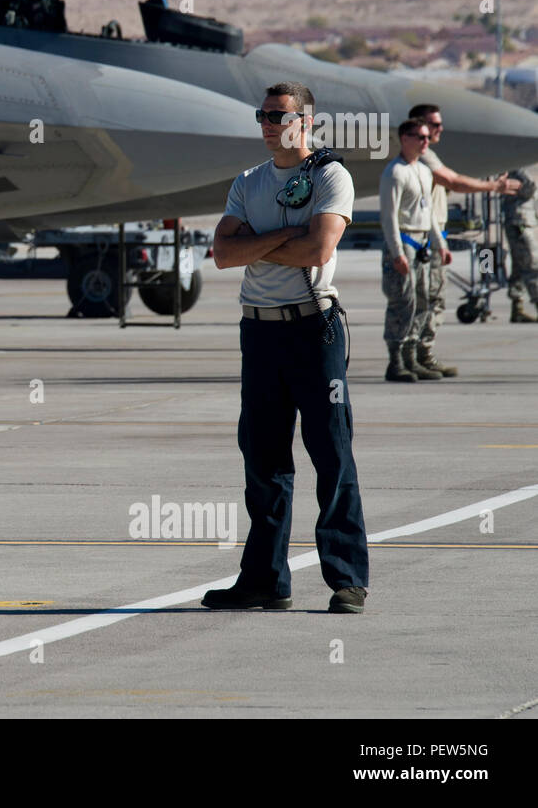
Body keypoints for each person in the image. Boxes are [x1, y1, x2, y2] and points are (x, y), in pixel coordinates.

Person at [205, 81, 368, 614]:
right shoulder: (247, 181)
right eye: (263, 114)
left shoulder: (330, 176)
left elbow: (319, 246)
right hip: (260, 332)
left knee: (331, 453)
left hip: (312, 330)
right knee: (263, 458)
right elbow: (223, 254)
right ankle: (264, 580)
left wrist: (259, 240)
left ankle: (346, 579)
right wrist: (283, 239)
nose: (269, 123)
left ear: (308, 122)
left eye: (279, 115)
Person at [407, 104, 521, 369]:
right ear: (420, 124)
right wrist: (493, 186)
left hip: (434, 236)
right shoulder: (424, 158)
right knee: (427, 301)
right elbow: (454, 181)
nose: (439, 130)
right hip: (426, 239)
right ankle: (417, 357)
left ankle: (420, 356)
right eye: (434, 125)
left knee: (430, 300)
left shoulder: (423, 156)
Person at [380, 120, 449, 381]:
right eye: (419, 137)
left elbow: (428, 211)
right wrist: (397, 253)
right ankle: (395, 360)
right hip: (405, 242)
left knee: (423, 301)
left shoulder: (423, 171)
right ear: (404, 138)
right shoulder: (394, 173)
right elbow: (389, 218)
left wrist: (440, 245)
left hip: (423, 244)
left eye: (426, 137)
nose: (425, 142)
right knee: (402, 302)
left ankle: (411, 356)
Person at [501, 167, 538, 321]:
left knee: (519, 266)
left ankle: (517, 308)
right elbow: (530, 186)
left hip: (518, 222)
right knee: (531, 264)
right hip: (519, 222)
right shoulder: (517, 169)